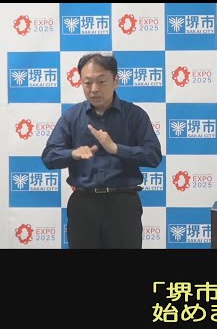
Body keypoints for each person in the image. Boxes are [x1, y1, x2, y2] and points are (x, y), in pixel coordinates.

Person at [42, 53, 162, 248]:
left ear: (115, 81)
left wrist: (116, 149)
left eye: (101, 81)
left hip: (123, 206)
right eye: (87, 83)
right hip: (83, 205)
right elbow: (48, 157)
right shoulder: (71, 117)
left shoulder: (135, 115)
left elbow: (154, 156)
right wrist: (72, 154)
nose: (94, 89)